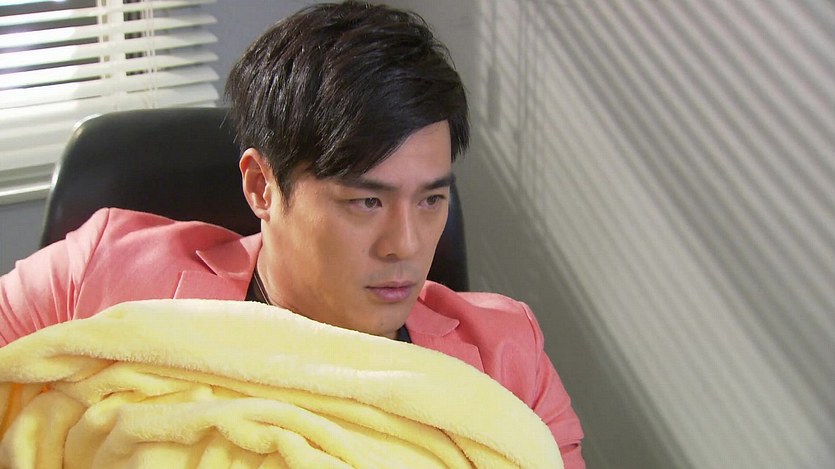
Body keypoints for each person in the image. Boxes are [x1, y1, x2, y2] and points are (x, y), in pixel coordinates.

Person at [0, 1, 584, 466]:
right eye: (366, 201)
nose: (405, 246)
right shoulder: (94, 276)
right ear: (261, 186)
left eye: (431, 199)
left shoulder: (509, 357)